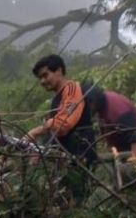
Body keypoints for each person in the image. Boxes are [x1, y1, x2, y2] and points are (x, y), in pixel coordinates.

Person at [25, 55, 98, 203]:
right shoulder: (57, 98)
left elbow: (63, 125)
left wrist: (35, 131)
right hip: (67, 159)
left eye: (45, 75)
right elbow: (55, 134)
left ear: (59, 70)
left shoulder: (71, 89)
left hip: (80, 155)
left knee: (78, 203)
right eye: (40, 78)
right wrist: (40, 150)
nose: (42, 81)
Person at [81, 81, 136, 163]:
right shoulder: (102, 108)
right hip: (121, 142)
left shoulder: (116, 108)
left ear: (93, 101)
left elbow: (135, 134)